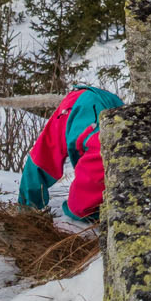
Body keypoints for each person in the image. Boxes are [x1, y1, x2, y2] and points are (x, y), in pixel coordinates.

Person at [18, 85, 124, 223]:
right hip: (85, 104)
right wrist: (27, 209)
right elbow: (41, 159)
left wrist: (26, 206)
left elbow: (41, 159)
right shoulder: (69, 112)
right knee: (81, 208)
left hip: (94, 105)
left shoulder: (99, 150)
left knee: (81, 209)